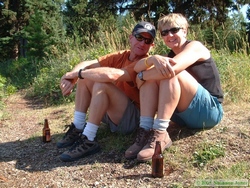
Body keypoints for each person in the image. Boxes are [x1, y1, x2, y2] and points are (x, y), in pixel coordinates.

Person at [125, 13, 224, 162]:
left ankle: (160, 134)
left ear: (184, 31)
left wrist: (142, 76)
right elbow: (137, 68)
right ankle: (145, 130)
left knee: (168, 73)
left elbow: (174, 68)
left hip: (208, 112)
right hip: (180, 117)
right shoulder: (168, 56)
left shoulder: (195, 47)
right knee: (156, 75)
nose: (169, 35)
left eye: (174, 30)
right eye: (164, 33)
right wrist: (151, 60)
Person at [57, 21, 156, 162]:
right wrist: (71, 75)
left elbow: (112, 75)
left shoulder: (145, 63)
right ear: (131, 37)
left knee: (100, 83)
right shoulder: (122, 55)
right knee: (86, 77)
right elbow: (87, 63)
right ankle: (78, 127)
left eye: (148, 40)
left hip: (132, 118)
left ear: (152, 46)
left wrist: (77, 75)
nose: (142, 43)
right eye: (139, 37)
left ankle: (89, 139)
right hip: (112, 113)